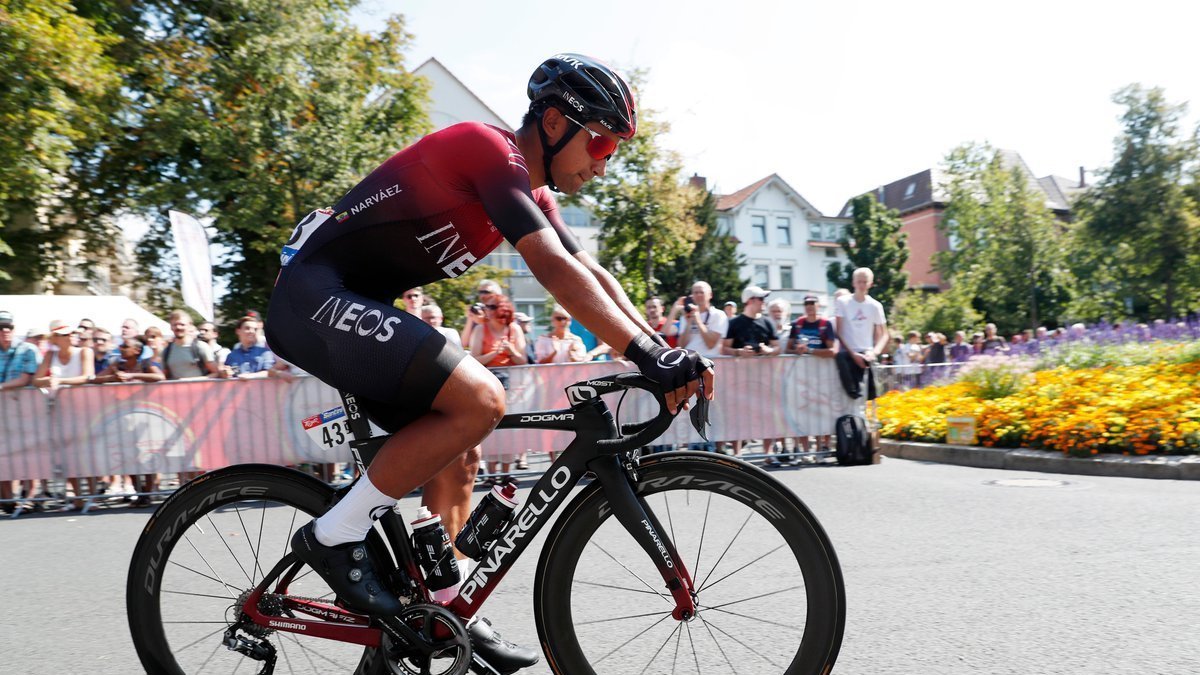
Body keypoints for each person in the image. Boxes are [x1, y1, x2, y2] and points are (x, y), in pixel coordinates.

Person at [265, 53, 713, 673]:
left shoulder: (530, 189)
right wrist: (643, 353)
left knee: (459, 452)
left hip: (354, 306)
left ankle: (442, 618)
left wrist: (661, 349)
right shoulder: (487, 151)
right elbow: (552, 270)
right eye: (602, 142)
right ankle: (333, 537)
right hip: (312, 297)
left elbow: (589, 270)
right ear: (554, 124)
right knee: (480, 400)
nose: (605, 162)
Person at [34, 320, 97, 510]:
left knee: (87, 455)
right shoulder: (51, 354)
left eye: (71, 333)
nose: (70, 336)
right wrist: (48, 380)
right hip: (61, 413)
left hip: (85, 411)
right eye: (65, 334)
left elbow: (87, 376)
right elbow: (37, 380)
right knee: (68, 456)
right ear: (55, 338)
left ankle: (92, 498)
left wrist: (59, 380)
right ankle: (78, 498)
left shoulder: (85, 351)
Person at [469, 294, 528, 485]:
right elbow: (474, 358)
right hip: (487, 383)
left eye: (492, 307)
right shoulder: (480, 329)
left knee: (509, 428)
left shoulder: (514, 329)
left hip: (511, 384)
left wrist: (511, 351)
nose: (488, 310)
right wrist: (494, 353)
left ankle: (506, 472)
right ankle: (491, 473)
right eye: (487, 307)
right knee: (491, 426)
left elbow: (522, 360)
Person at [722, 286, 781, 460]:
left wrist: (767, 350)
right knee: (737, 413)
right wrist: (739, 351)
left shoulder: (768, 322)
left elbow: (778, 347)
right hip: (739, 376)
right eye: (761, 299)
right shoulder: (734, 323)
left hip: (763, 376)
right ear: (750, 300)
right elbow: (724, 348)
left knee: (767, 412)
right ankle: (737, 453)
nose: (764, 302)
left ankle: (768, 453)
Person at [0, 310, 43, 513]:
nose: (5, 331)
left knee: (29, 451)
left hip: (25, 410)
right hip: (3, 412)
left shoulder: (27, 349)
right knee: (3, 454)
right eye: (1, 328)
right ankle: (7, 499)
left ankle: (32, 496)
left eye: (8, 327)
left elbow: (27, 378)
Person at [788, 295, 837, 460]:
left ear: (818, 306)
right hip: (801, 376)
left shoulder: (826, 324)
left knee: (822, 411)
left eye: (812, 303)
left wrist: (809, 351)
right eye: (806, 303)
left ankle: (821, 448)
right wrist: (798, 350)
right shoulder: (798, 324)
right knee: (802, 412)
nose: (809, 306)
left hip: (822, 376)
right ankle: (805, 450)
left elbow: (832, 351)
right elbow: (788, 349)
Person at [833, 268, 889, 400]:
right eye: (859, 282)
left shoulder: (875, 305)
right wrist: (853, 354)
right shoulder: (843, 302)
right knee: (852, 393)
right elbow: (839, 331)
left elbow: (884, 334)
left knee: (872, 395)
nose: (862, 285)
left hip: (867, 353)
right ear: (853, 283)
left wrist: (874, 352)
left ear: (870, 283)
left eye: (865, 282)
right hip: (848, 353)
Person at [665, 280, 728, 360]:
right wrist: (689, 323)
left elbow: (711, 344)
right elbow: (682, 345)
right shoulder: (686, 316)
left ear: (710, 295)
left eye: (702, 292)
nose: (698, 295)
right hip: (690, 361)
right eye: (695, 292)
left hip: (709, 362)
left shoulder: (718, 315)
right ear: (692, 296)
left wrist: (698, 320)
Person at [222, 315, 294, 380]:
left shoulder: (265, 353)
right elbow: (227, 374)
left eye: (255, 329)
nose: (252, 331)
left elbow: (269, 372)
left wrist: (251, 376)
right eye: (247, 328)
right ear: (238, 331)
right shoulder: (231, 355)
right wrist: (225, 373)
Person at [162, 310, 219, 380]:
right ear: (171, 327)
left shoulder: (201, 347)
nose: (178, 327)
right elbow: (165, 376)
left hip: (201, 390)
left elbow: (216, 373)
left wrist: (191, 380)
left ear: (190, 326)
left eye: (182, 324)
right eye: (175, 325)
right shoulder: (167, 351)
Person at [461, 278, 503, 348]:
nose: (482, 295)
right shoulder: (478, 311)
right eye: (480, 292)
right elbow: (463, 343)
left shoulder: (503, 311)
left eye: (486, 292)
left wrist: (483, 323)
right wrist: (470, 318)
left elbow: (499, 339)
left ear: (496, 294)